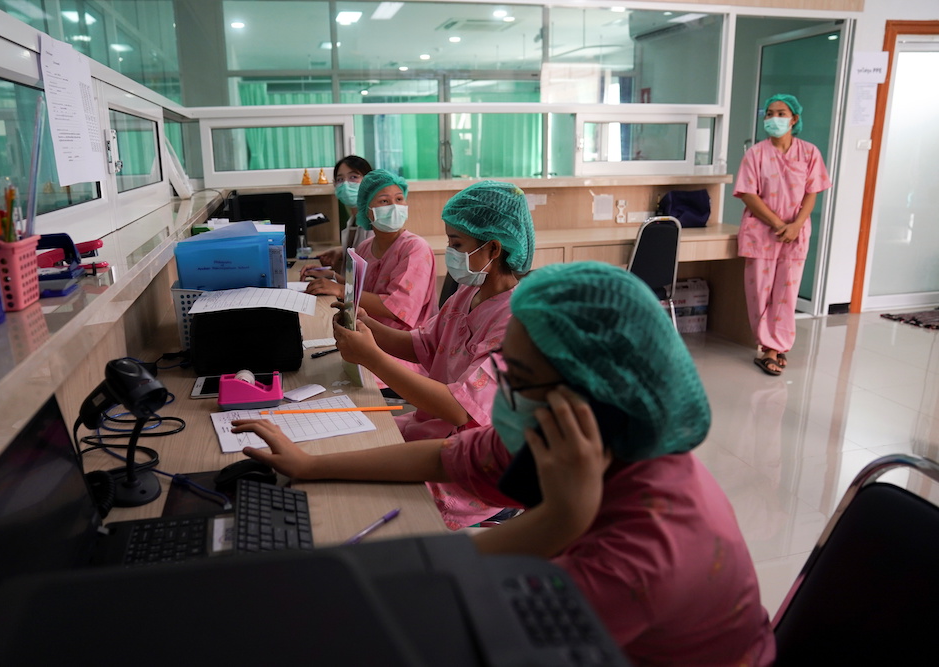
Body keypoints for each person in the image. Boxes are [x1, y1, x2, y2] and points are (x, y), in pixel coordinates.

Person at [231, 262, 776, 665]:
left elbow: (452, 617)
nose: (502, 388)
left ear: (585, 400)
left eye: (518, 375)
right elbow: (446, 455)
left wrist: (556, 521)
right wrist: (311, 466)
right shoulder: (573, 439)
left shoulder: (648, 549)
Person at [332, 180, 535, 528]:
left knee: (356, 502)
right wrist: (366, 325)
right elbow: (421, 344)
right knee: (350, 443)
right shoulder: (466, 295)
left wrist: (371, 357)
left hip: (467, 465)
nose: (450, 251)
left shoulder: (514, 321)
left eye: (457, 243)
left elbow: (459, 409)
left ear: (494, 248)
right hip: (430, 432)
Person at [734, 93, 831, 376]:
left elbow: (813, 192)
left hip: (795, 232)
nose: (773, 119)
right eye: (769, 114)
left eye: (780, 113)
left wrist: (796, 225)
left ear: (794, 119)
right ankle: (768, 347)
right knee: (759, 293)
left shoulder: (810, 153)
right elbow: (748, 194)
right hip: (762, 232)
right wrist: (779, 224)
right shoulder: (756, 154)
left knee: (787, 292)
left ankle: (776, 346)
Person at [304, 169, 437, 340]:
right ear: (367, 210)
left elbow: (397, 308)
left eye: (399, 199)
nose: (394, 207)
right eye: (384, 201)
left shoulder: (415, 249)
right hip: (367, 335)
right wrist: (334, 278)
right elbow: (364, 290)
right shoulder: (366, 247)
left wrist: (340, 289)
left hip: (402, 344)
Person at [300, 155, 373, 277]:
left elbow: (366, 279)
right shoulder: (353, 221)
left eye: (353, 177)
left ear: (369, 182)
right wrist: (342, 251)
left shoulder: (373, 224)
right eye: (340, 179)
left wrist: (331, 276)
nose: (345, 184)